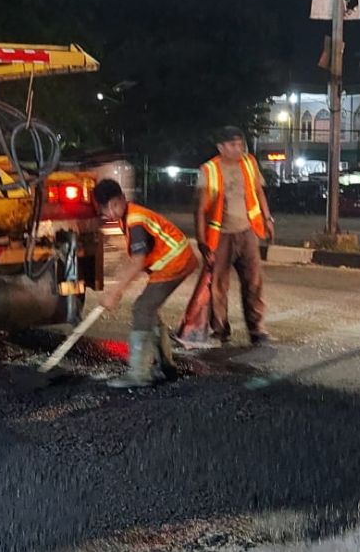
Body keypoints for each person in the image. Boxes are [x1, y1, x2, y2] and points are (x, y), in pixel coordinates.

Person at [176, 126, 275, 349]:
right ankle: (220, 330)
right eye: (232, 145)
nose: (238, 149)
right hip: (221, 236)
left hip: (248, 232)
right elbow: (200, 210)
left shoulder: (249, 163)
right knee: (218, 287)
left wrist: (268, 219)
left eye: (240, 144)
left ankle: (257, 329)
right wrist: (202, 242)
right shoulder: (209, 170)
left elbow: (259, 192)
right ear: (220, 147)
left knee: (254, 282)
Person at [94, 179, 198, 388]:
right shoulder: (127, 217)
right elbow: (133, 259)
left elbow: (138, 260)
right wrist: (119, 285)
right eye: (106, 209)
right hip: (172, 262)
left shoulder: (136, 221)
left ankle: (139, 374)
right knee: (148, 309)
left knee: (142, 308)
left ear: (123, 199)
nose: (111, 212)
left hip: (176, 263)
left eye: (114, 205)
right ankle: (166, 366)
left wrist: (115, 291)